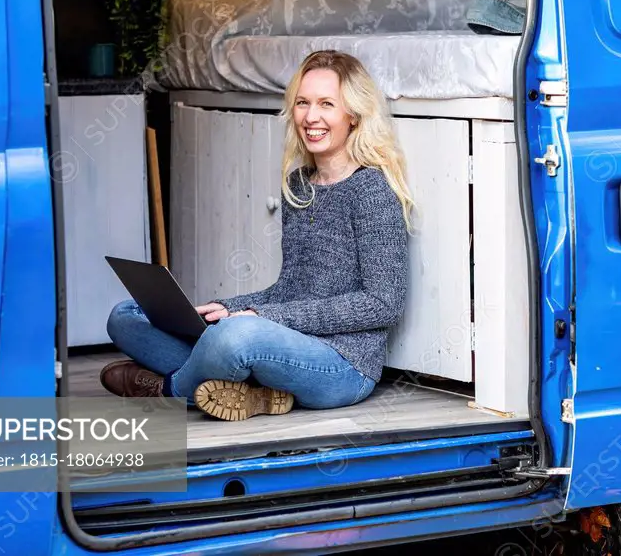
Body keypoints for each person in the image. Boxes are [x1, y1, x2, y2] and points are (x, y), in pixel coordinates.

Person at [99, 50, 415, 422]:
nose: (311, 117)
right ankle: (252, 393)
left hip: (343, 365)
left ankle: (167, 390)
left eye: (327, 104)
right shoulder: (299, 185)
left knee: (236, 338)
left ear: (354, 115)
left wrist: (258, 318)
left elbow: (383, 304)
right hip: (281, 343)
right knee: (126, 316)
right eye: (302, 103)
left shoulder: (372, 191)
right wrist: (229, 308)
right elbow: (288, 289)